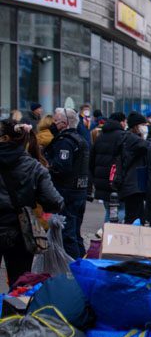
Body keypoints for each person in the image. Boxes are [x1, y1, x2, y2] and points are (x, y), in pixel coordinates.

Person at [0, 120, 64, 288]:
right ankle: (11, 313)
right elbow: (54, 201)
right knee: (20, 284)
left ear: (4, 138)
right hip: (19, 231)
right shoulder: (33, 166)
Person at [46, 109, 90, 258]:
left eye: (56, 121)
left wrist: (48, 165)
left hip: (67, 193)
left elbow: (61, 167)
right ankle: (82, 265)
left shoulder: (65, 141)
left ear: (64, 124)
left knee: (68, 235)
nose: (53, 124)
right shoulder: (80, 139)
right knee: (75, 234)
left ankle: (74, 270)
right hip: (79, 192)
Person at [114, 112, 150, 224]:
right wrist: (144, 137)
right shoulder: (133, 139)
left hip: (131, 184)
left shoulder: (127, 137)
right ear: (135, 126)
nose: (145, 127)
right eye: (143, 124)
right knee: (134, 217)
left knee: (136, 215)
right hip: (133, 185)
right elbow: (148, 146)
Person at [90, 111, 126, 223]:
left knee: (109, 210)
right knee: (121, 210)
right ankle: (107, 233)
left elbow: (92, 159)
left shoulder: (100, 137)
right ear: (121, 122)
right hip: (117, 181)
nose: (125, 124)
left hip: (102, 181)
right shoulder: (122, 136)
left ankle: (105, 234)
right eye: (125, 121)